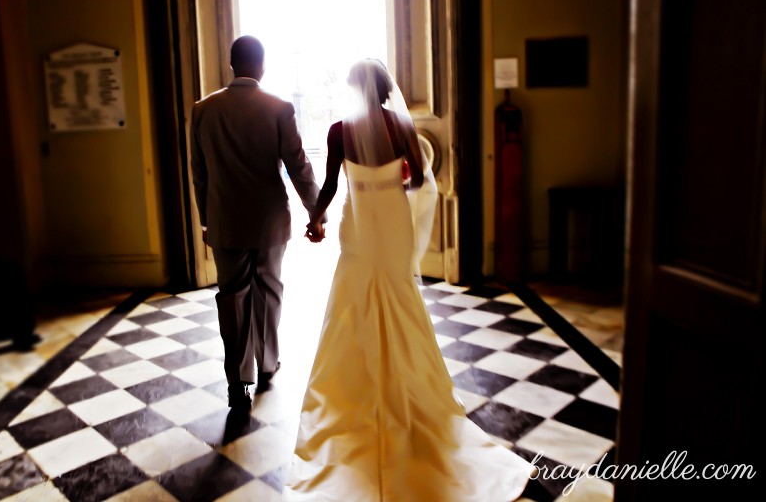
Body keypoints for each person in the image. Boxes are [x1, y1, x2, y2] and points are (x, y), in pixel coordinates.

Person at [285, 59, 536, 500]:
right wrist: (393, 178)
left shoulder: (339, 130)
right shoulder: (402, 127)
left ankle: (353, 392)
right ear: (385, 89)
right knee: (400, 296)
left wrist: (313, 219)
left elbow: (328, 187)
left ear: (352, 89)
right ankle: (411, 384)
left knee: (351, 300)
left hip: (358, 225)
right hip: (393, 221)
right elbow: (420, 178)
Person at [190, 35, 322, 410]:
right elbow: (298, 165)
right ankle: (265, 366)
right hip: (268, 222)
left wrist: (205, 218)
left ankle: (238, 381)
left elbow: (199, 173)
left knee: (232, 298)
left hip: (225, 222)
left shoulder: (203, 110)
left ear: (232, 64)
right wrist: (317, 211)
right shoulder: (278, 108)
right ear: (261, 66)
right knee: (269, 291)